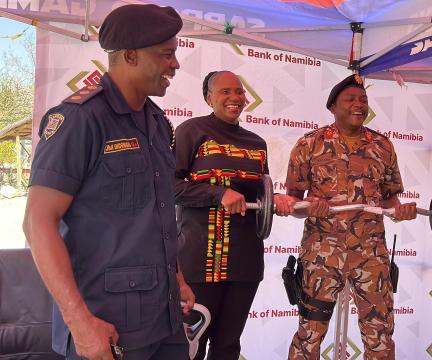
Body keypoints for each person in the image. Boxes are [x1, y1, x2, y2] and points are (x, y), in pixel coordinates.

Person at [22, 4, 195, 360]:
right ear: (130, 56)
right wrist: (80, 323)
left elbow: (157, 214)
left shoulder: (157, 123)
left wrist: (175, 278)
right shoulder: (80, 119)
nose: (175, 64)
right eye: (167, 54)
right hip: (108, 327)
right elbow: (38, 222)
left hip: (164, 321)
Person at [283, 74, 417, 360]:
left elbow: (390, 197)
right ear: (333, 106)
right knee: (309, 334)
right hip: (322, 254)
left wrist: (400, 210)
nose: (359, 104)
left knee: (380, 335)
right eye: (350, 99)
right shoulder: (310, 144)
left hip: (371, 255)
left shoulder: (382, 146)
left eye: (363, 99)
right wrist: (309, 205)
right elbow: (292, 201)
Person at [175, 70, 295, 360]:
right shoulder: (191, 131)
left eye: (239, 92)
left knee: (228, 346)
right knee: (190, 345)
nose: (235, 97)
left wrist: (276, 200)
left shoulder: (256, 144)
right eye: (225, 91)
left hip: (244, 262)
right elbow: (170, 186)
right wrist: (218, 194)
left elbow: (260, 196)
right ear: (209, 97)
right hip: (198, 262)